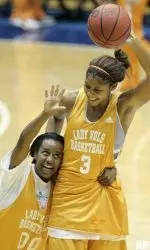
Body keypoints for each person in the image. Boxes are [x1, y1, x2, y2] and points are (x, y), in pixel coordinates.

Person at [46, 29, 150, 250]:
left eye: (98, 90)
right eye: (87, 87)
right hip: (67, 201)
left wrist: (132, 41)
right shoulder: (71, 100)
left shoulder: (122, 107)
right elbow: (52, 137)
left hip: (104, 200)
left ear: (113, 88)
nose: (91, 94)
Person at [0, 86, 65, 250]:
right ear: (34, 154)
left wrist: (58, 117)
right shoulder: (17, 174)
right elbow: (23, 142)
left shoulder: (56, 187)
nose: (50, 159)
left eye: (57, 156)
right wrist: (45, 114)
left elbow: (51, 141)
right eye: (45, 153)